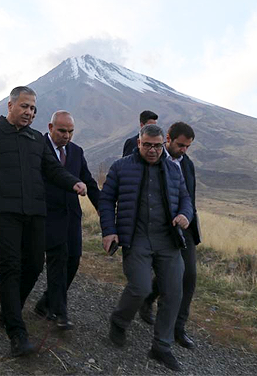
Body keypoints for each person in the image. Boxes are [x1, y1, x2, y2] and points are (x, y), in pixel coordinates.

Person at [0, 86, 87, 357]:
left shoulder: (35, 139)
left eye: (33, 108)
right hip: (3, 211)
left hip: (34, 212)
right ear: (10, 106)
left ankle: (9, 312)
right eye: (24, 106)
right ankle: (17, 333)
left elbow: (52, 169)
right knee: (11, 266)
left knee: (34, 265)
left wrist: (73, 182)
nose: (29, 112)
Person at [100, 124, 192, 371]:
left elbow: (186, 199)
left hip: (168, 240)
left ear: (164, 144)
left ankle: (161, 346)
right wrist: (109, 231)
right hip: (136, 238)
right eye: (147, 145)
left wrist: (185, 215)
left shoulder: (174, 169)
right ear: (139, 143)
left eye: (158, 146)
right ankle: (119, 321)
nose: (153, 150)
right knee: (140, 287)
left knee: (173, 292)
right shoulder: (121, 167)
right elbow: (106, 199)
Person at [34, 111, 99, 330]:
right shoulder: (37, 147)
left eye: (71, 131)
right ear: (50, 127)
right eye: (62, 131)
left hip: (72, 217)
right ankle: (59, 313)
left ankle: (45, 303)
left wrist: (103, 209)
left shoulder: (76, 152)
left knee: (73, 262)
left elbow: (88, 181)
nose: (67, 136)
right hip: (47, 215)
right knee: (58, 261)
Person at [140, 122, 200, 350]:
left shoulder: (188, 165)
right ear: (168, 138)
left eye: (187, 146)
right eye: (180, 145)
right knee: (167, 275)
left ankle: (178, 328)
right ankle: (146, 299)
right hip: (157, 229)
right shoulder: (153, 158)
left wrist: (186, 218)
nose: (183, 150)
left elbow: (189, 198)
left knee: (189, 276)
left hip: (183, 229)